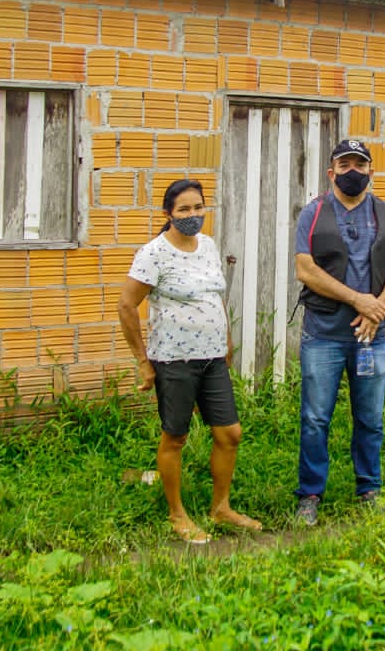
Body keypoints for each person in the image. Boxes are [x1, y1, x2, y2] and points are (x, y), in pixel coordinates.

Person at [118, 178, 261, 543]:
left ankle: (220, 508)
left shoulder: (209, 246)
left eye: (198, 207)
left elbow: (215, 297)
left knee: (229, 433)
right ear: (168, 213)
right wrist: (142, 361)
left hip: (213, 358)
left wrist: (227, 338)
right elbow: (126, 306)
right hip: (174, 360)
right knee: (175, 436)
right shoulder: (153, 253)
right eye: (184, 209)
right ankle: (177, 514)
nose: (192, 215)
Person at [292, 139, 385, 525]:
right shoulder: (313, 213)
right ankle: (309, 494)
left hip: (370, 337)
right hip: (323, 335)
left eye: (360, 164)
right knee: (315, 418)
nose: (353, 171)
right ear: (332, 172)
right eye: (345, 165)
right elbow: (306, 269)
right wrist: (360, 300)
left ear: (371, 171)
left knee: (370, 418)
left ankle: (369, 490)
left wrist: (377, 308)